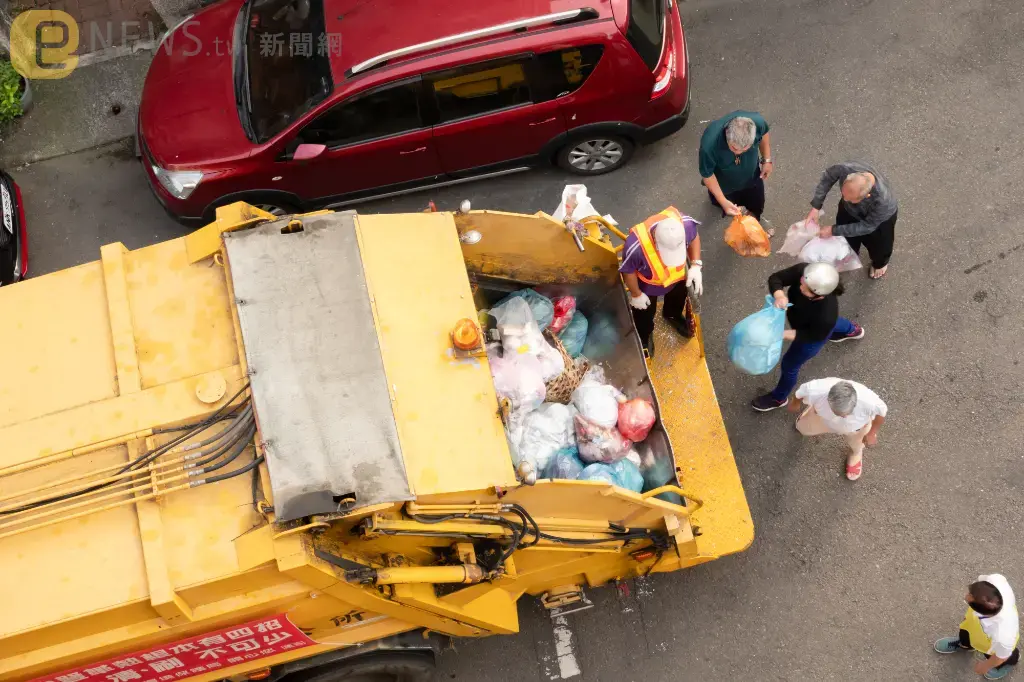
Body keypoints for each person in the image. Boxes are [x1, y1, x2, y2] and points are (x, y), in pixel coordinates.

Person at [751, 262, 864, 413]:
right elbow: (776, 278)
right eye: (803, 281)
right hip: (815, 325)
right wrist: (779, 295)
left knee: (790, 366)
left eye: (807, 289)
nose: (800, 287)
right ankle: (852, 330)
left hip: (812, 336)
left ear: (820, 295)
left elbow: (809, 335)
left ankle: (779, 398)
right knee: (830, 325)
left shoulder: (825, 315)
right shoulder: (806, 273)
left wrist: (780, 334)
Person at [619, 208, 702, 356]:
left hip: (678, 277)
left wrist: (696, 265)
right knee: (644, 313)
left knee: (678, 298)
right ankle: (644, 336)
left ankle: (672, 314)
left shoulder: (686, 225)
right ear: (656, 241)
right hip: (648, 286)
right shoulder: (635, 246)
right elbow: (628, 271)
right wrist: (636, 294)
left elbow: (694, 237)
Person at [806, 161, 899, 279]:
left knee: (880, 246)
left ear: (867, 196)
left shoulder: (883, 202)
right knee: (846, 238)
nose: (844, 199)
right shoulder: (846, 169)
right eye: (843, 194)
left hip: (879, 221)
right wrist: (816, 207)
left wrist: (833, 230)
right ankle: (849, 253)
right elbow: (828, 177)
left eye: (850, 199)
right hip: (850, 211)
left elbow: (867, 226)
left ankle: (880, 263)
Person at [787, 378, 887, 481]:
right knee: (802, 428)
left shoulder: (869, 401)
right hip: (823, 419)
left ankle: (856, 453)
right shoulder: (816, 389)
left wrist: (871, 433)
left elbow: (882, 412)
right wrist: (795, 403)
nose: (844, 417)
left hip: (856, 429)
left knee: (857, 444)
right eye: (839, 413)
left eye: (848, 413)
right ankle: (812, 408)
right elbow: (799, 393)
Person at [935, 575, 1020, 680]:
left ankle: (1007, 665)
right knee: (966, 631)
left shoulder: (1003, 635)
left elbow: (1001, 656)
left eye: (969, 597)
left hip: (991, 641)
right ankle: (964, 645)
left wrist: (986, 665)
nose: (966, 596)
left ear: (980, 611)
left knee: (1003, 655)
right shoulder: (995, 580)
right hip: (975, 622)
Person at [698, 110, 773, 226]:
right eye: (734, 148)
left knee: (756, 202)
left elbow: (764, 133)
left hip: (752, 178)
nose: (739, 153)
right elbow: (707, 174)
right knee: (724, 203)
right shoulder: (709, 145)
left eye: (745, 149)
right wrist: (723, 201)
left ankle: (754, 221)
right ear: (727, 133)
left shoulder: (757, 122)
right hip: (724, 185)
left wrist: (767, 160)